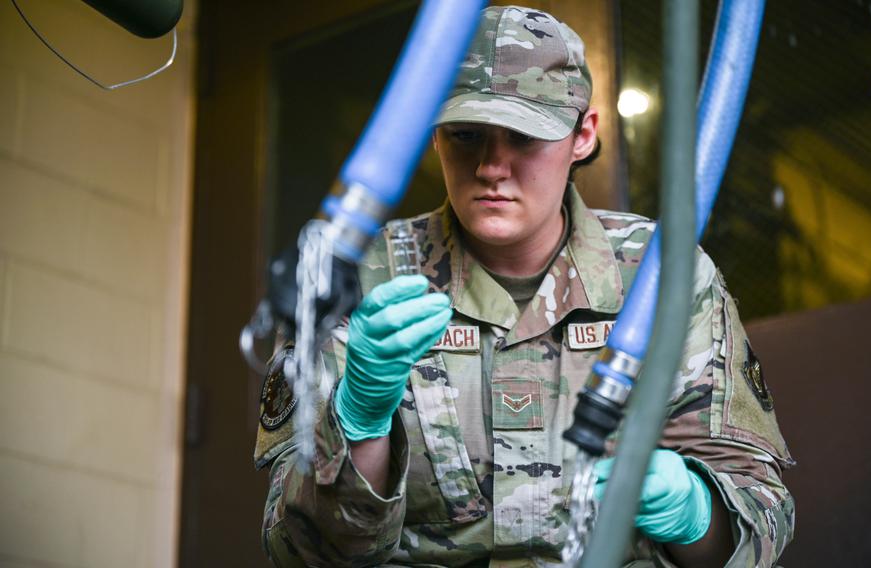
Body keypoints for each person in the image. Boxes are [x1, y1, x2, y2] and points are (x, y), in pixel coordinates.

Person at [253, 5, 795, 567]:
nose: (492, 165)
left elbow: (762, 516)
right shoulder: (357, 279)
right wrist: (358, 422)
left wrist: (695, 512)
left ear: (582, 136)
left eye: (523, 136)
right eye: (466, 134)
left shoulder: (663, 275)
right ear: (436, 138)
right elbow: (296, 551)